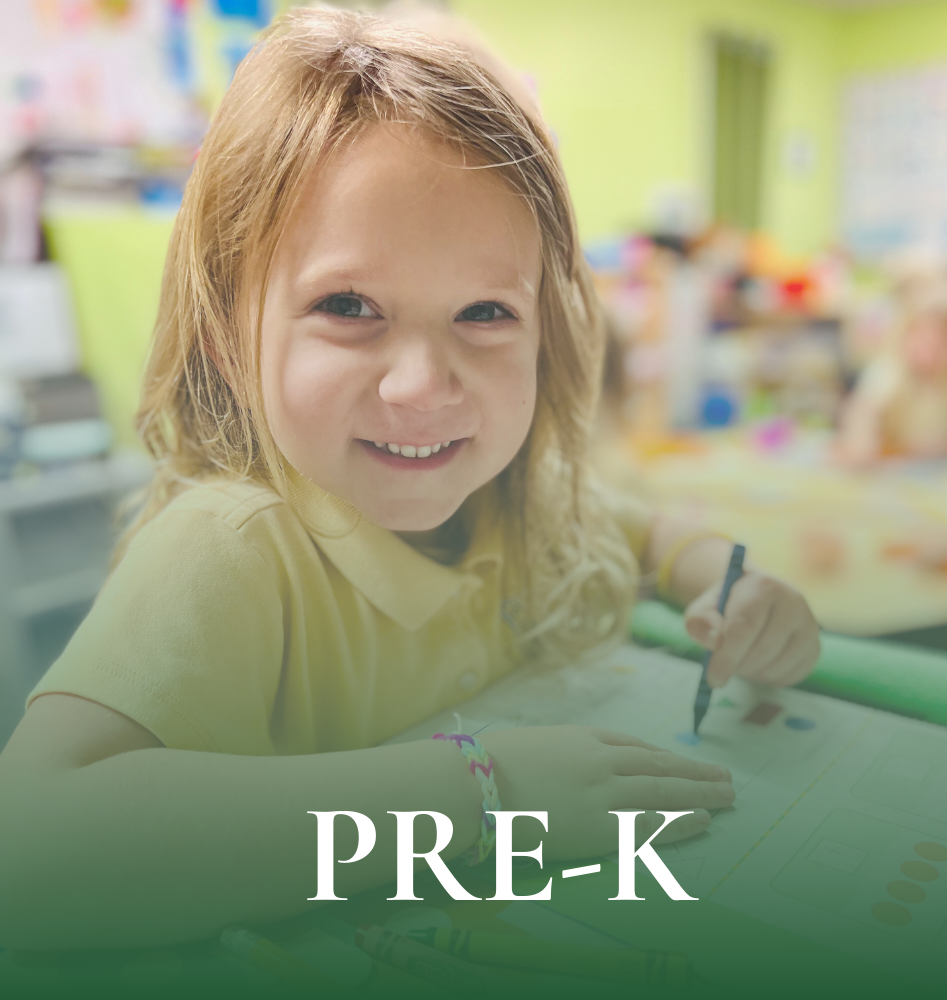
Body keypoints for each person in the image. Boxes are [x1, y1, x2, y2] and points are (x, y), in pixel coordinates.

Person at [0, 7, 819, 951]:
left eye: (484, 311)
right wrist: (483, 795)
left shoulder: (521, 508)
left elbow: (642, 534)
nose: (421, 387)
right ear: (228, 336)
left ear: (546, 332)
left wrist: (734, 583)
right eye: (348, 306)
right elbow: (30, 854)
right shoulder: (231, 546)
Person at [837, 296, 947, 465]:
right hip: (896, 475)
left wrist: (928, 447)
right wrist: (861, 441)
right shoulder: (889, 373)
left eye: (941, 340)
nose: (930, 347)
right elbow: (862, 411)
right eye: (920, 337)